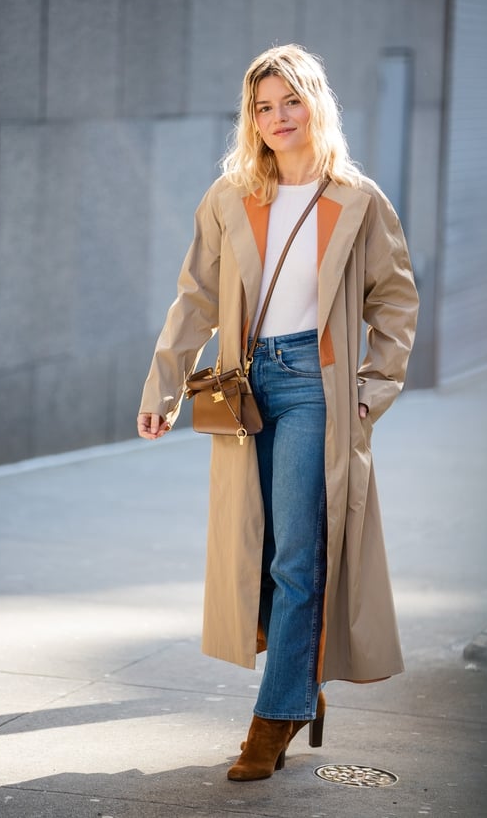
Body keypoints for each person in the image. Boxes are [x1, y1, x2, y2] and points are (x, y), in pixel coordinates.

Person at [137, 44, 419, 782]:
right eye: (263, 107)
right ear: (251, 118)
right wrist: (163, 386)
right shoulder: (231, 196)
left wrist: (369, 389)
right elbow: (195, 295)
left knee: (300, 554)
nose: (277, 118)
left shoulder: (357, 201)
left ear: (315, 102)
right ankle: (301, 677)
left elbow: (395, 301)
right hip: (246, 382)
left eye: (289, 101)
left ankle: (276, 713)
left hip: (315, 389)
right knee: (256, 551)